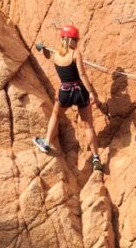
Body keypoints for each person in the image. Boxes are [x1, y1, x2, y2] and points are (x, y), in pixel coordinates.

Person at [32, 25, 106, 173]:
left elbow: (47, 55)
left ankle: (46, 143)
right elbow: (82, 75)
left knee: (56, 115)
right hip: (80, 91)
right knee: (88, 127)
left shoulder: (57, 54)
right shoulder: (75, 54)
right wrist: (91, 92)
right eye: (76, 40)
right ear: (71, 40)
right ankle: (96, 158)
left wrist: (43, 49)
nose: (77, 42)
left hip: (65, 92)